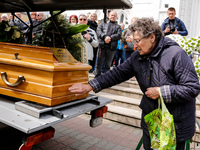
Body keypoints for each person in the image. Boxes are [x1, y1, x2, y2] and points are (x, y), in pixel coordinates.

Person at [69, 17, 200, 150]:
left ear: (152, 37)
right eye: (133, 41)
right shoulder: (137, 57)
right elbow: (117, 73)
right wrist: (90, 86)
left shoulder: (175, 54)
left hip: (174, 124)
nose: (134, 45)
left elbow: (192, 87)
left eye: (137, 41)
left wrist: (161, 92)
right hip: (152, 119)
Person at [94, 11, 121, 77]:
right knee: (99, 64)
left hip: (111, 48)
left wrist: (110, 38)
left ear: (116, 17)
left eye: (114, 15)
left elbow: (119, 35)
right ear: (108, 15)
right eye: (112, 15)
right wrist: (105, 37)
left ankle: (105, 79)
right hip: (102, 46)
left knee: (108, 65)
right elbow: (98, 31)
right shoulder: (102, 23)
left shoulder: (118, 26)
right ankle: (97, 78)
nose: (113, 16)